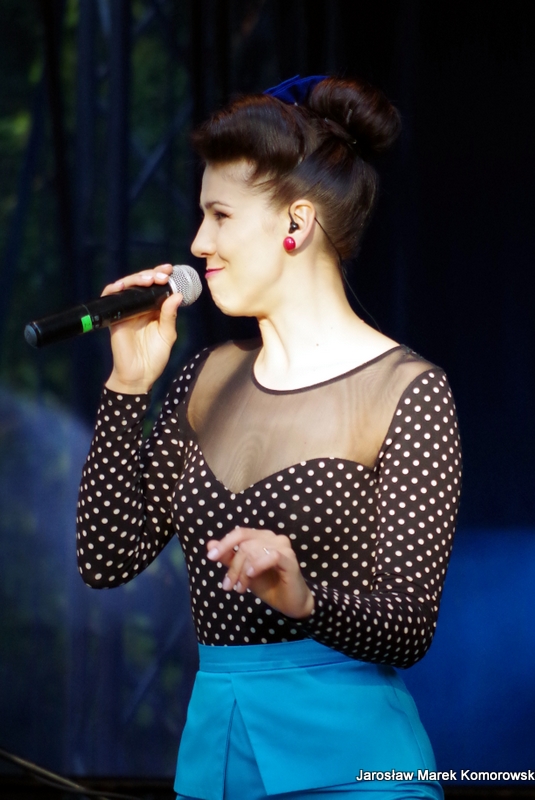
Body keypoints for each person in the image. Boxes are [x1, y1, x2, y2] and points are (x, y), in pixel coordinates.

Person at [77, 75, 462, 800]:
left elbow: (410, 627)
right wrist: (128, 385)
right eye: (202, 216)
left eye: (220, 215)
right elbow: (105, 558)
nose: (198, 243)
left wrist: (306, 598)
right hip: (216, 757)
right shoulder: (206, 377)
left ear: (297, 222)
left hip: (355, 767)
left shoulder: (407, 391)